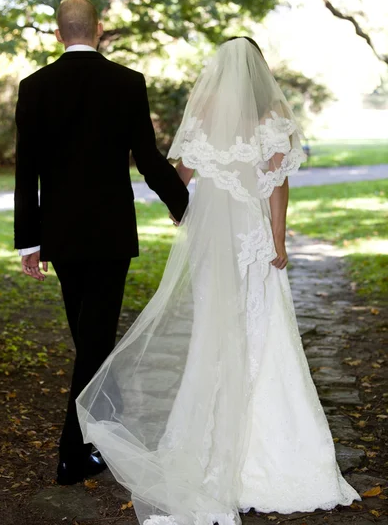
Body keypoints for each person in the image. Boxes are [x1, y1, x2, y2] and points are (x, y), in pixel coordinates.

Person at [76, 37, 361, 524]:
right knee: (263, 331)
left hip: (216, 242)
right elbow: (276, 182)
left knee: (213, 332)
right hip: (252, 238)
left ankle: (210, 448)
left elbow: (182, 172)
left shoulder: (204, 109)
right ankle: (275, 458)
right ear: (259, 69)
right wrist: (278, 238)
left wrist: (179, 207)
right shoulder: (271, 114)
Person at [13, 0, 189, 485]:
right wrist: (184, 204)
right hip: (110, 232)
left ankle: (100, 430)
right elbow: (148, 159)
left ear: (57, 34)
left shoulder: (34, 86)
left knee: (88, 338)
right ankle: (74, 452)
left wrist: (29, 240)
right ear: (100, 29)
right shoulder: (127, 82)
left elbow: (26, 173)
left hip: (61, 234)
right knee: (93, 340)